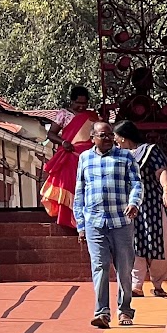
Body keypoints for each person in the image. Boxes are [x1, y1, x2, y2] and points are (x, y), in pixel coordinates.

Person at [74, 120, 143, 329]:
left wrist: (134, 203)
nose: (107, 139)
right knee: (100, 266)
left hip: (121, 221)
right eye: (102, 135)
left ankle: (125, 310)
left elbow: (137, 184)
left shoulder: (126, 157)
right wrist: (80, 224)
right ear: (92, 137)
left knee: (124, 268)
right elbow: (79, 192)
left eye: (110, 135)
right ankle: (102, 313)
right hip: (94, 222)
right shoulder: (84, 158)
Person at [113, 120, 167, 297]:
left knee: (159, 243)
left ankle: (158, 284)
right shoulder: (117, 155)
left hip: (153, 204)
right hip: (130, 206)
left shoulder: (149, 150)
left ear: (123, 137)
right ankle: (136, 285)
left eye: (116, 136)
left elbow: (161, 171)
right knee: (133, 244)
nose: (114, 140)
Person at [41, 84, 99, 230]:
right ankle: (69, 221)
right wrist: (63, 142)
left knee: (87, 188)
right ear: (71, 102)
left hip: (88, 158)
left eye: (84, 103)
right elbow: (51, 134)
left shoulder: (92, 116)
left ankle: (85, 221)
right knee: (69, 186)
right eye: (78, 103)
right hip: (69, 157)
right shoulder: (64, 114)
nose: (81, 107)